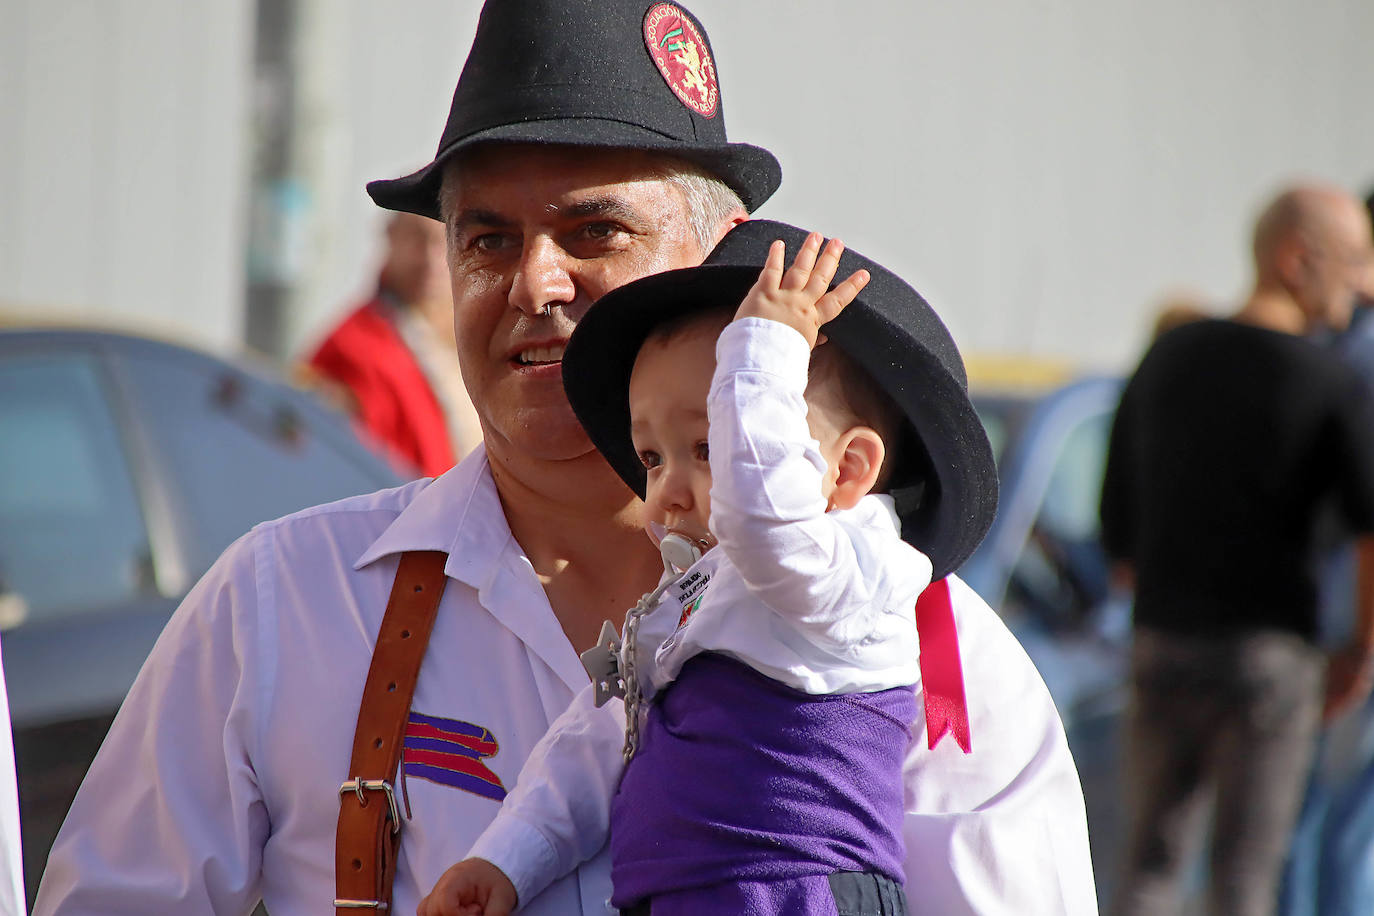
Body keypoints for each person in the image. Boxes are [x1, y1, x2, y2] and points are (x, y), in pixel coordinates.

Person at [34, 2, 1094, 914]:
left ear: (719, 261)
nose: (535, 280)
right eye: (487, 239)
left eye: (593, 231)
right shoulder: (282, 603)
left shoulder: (932, 652)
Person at [421, 225, 935, 915]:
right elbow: (596, 743)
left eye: (709, 443)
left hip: (795, 896)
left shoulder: (850, 571)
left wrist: (764, 353)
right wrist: (505, 859)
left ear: (846, 471)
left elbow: (767, 523)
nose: (665, 491)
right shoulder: (696, 601)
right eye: (652, 458)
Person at [1100, 184, 1374, 916]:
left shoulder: (1168, 357)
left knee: (1149, 865)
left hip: (1162, 645)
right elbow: (1369, 527)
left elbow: (1117, 532)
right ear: (1296, 259)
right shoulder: (1332, 382)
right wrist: (1361, 649)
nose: (1364, 282)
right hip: (1269, 661)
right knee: (1245, 879)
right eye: (1352, 262)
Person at [304, 210, 482, 476]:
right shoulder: (350, 348)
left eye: (446, 241)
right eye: (417, 238)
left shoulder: (477, 335)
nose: (431, 258)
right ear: (391, 235)